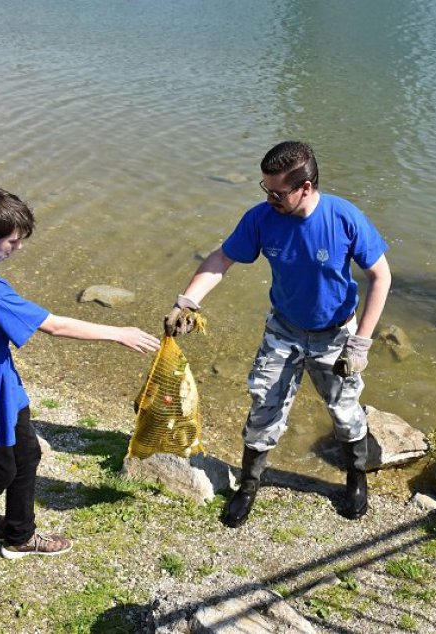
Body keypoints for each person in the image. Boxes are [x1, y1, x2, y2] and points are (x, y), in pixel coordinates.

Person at [164, 141, 391, 527]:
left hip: (336, 336)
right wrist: (189, 300)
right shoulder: (262, 218)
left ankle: (356, 477)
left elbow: (381, 276)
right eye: (265, 188)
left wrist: (361, 342)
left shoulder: (344, 218)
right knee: (263, 408)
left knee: (345, 410)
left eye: (277, 191)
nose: (269, 197)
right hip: (283, 330)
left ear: (306, 186)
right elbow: (222, 258)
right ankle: (250, 484)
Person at [0, 188, 159, 558]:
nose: (18, 249)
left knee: (17, 457)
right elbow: (52, 325)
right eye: (13, 243)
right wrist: (117, 333)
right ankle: (9, 532)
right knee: (8, 465)